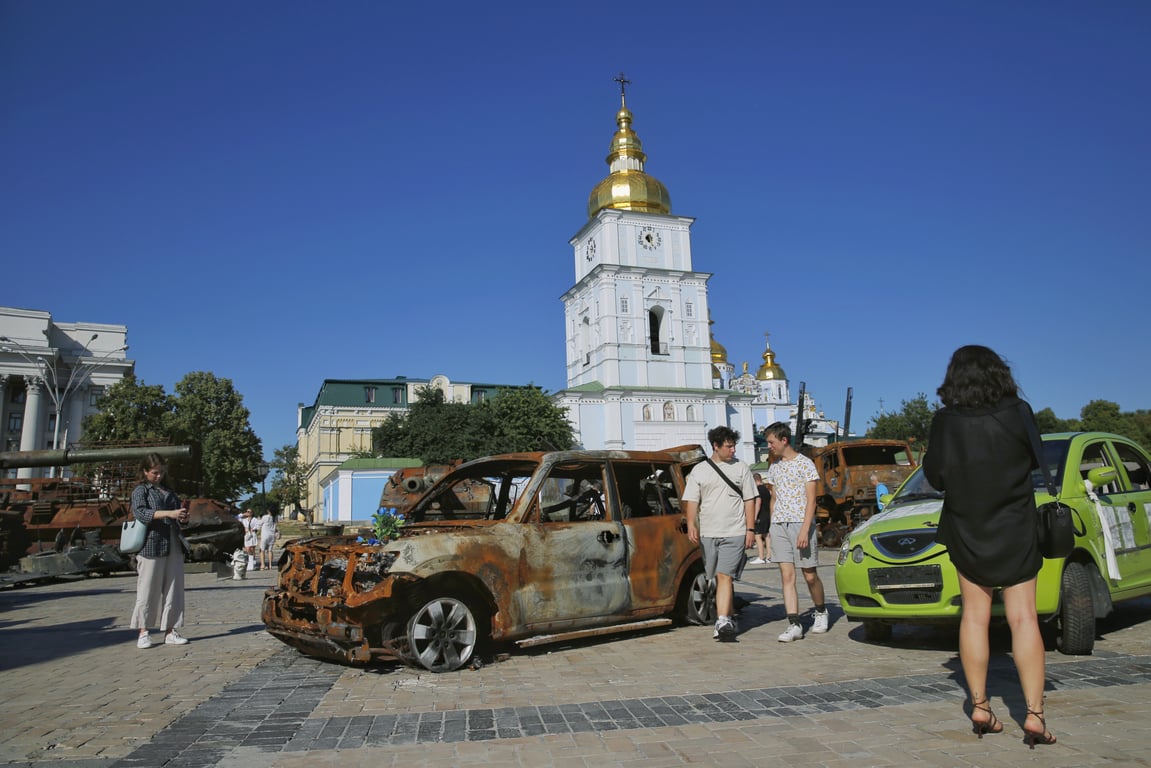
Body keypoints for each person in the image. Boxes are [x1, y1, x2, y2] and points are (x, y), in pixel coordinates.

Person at [922, 344, 1055, 747]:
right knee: (1024, 619)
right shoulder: (1019, 412)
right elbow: (1035, 460)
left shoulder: (944, 421)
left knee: (975, 618)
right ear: (999, 373)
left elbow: (936, 477)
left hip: (966, 524)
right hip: (1015, 523)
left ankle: (980, 706)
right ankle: (1034, 716)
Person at [683, 426, 757, 641]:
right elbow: (692, 500)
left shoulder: (741, 468)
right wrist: (691, 523)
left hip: (734, 530)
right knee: (716, 577)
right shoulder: (700, 470)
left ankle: (722, 619)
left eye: (734, 446)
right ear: (715, 446)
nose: (733, 450)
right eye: (729, 446)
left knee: (725, 575)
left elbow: (749, 500)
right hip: (708, 531)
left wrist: (750, 529)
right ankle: (729, 615)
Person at [764, 421, 830, 642]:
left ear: (784, 440)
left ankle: (821, 610)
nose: (769, 446)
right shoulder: (774, 467)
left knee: (809, 574)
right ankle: (794, 624)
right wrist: (772, 525)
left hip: (801, 523)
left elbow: (812, 501)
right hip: (780, 524)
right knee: (786, 575)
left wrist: (804, 530)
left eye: (771, 442)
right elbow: (774, 498)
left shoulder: (805, 464)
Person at [129, 453, 191, 649]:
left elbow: (176, 516)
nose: (158, 476)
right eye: (155, 473)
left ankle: (171, 630)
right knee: (148, 589)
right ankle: (143, 631)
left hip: (173, 542)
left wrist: (181, 517)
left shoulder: (168, 491)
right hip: (151, 545)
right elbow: (141, 513)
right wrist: (169, 513)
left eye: (161, 473)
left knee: (174, 590)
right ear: (145, 471)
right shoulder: (141, 491)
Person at [748, 472, 772, 564]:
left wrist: (754, 516)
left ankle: (761, 557)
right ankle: (769, 556)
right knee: (767, 535)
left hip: (760, 515)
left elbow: (758, 502)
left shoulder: (757, 490)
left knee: (757, 536)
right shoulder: (767, 490)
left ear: (754, 480)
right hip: (767, 515)